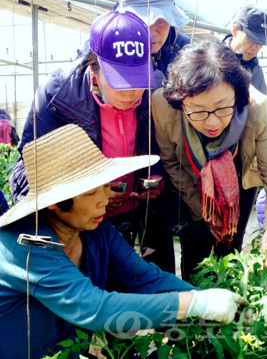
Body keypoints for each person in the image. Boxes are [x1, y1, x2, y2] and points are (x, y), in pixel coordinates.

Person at [0, 124, 247, 359]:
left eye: (107, 186)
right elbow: (96, 308)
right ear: (54, 201)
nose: (103, 200)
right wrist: (197, 304)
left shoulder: (95, 230)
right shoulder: (25, 245)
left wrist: (213, 301)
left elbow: (146, 278)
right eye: (90, 193)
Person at [9, 9, 174, 267]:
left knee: (137, 278)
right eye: (120, 80)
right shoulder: (57, 96)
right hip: (80, 223)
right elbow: (32, 170)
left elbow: (166, 148)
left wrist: (155, 179)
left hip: (137, 212)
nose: (132, 92)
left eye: (138, 80)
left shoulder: (156, 95)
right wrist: (87, 197)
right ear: (93, 67)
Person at [152, 39, 267, 280]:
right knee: (196, 251)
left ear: (237, 96)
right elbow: (172, 163)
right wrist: (201, 210)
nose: (212, 123)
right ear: (180, 102)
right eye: (197, 110)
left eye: (222, 108)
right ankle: (195, 304)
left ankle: (228, 297)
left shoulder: (257, 107)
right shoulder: (162, 106)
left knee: (230, 248)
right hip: (192, 185)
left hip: (238, 187)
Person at [117, 0, 191, 77]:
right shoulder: (107, 43)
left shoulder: (184, 50)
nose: (151, 33)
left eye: (160, 21)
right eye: (142, 21)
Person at [223, 4, 267, 95]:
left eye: (261, 42)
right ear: (235, 31)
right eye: (251, 39)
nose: (255, 48)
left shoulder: (256, 71)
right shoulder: (209, 57)